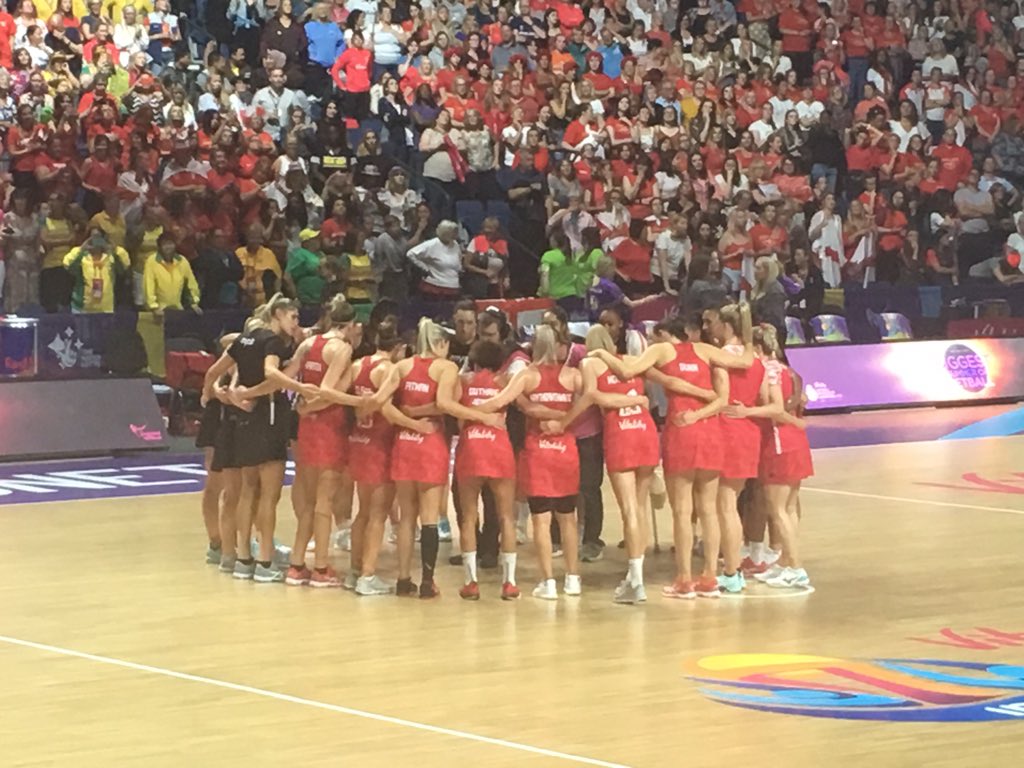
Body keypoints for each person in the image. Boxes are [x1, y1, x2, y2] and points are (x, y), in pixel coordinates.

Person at [593, 314, 753, 598]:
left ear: (666, 334)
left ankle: (684, 579)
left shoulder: (660, 350)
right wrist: (749, 336)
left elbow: (627, 371)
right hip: (711, 433)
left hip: (682, 430)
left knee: (682, 511)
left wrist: (601, 351)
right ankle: (710, 578)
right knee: (709, 510)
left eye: (656, 336)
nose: (653, 341)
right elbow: (744, 362)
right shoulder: (703, 349)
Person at [201, 294, 319, 583]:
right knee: (269, 495)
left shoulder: (244, 340)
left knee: (246, 491)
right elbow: (270, 373)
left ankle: (243, 559)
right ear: (278, 314)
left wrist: (214, 393)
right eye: (293, 317)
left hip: (242, 422)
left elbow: (213, 372)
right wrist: (298, 385)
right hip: (267, 418)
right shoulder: (271, 342)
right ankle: (265, 560)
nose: (295, 324)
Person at [389, 318, 503, 599]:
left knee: (406, 518)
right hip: (430, 443)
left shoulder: (402, 366)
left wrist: (411, 416)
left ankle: (403, 579)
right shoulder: (446, 367)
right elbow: (445, 404)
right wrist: (483, 416)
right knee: (428, 516)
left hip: (404, 441)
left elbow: (387, 405)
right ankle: (428, 582)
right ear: (440, 343)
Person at [479, 324, 582, 600]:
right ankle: (573, 580)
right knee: (568, 518)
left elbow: (500, 400)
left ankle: (548, 582)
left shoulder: (527, 376)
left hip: (539, 453)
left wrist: (467, 409)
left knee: (541, 520)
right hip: (566, 451)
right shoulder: (574, 376)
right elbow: (589, 402)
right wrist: (563, 419)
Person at [560, 325, 656, 603]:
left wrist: (564, 422)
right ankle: (636, 575)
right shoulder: (629, 362)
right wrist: (635, 398)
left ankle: (636, 580)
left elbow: (591, 396)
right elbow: (645, 395)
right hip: (645, 431)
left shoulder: (590, 362)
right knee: (640, 507)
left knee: (629, 510)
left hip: (621, 434)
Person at [284, 296, 364, 589]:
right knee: (324, 500)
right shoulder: (340, 348)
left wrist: (299, 407)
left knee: (307, 498)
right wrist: (310, 407)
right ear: (351, 324)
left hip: (307, 428)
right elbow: (328, 391)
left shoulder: (308, 344)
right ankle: (320, 567)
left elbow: (288, 377)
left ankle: (296, 564)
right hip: (328, 426)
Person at [453, 340, 521, 600]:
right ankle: (510, 583)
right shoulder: (504, 382)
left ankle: (471, 582)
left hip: (471, 448)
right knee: (506, 517)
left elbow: (459, 420)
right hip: (499, 449)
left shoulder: (465, 381)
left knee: (468, 517)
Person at [703, 303, 763, 594]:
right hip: (749, 431)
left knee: (723, 505)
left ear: (726, 326)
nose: (710, 328)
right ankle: (732, 568)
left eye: (713, 322)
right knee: (731, 503)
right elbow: (763, 398)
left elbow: (718, 394)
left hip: (726, 429)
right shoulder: (758, 361)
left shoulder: (722, 358)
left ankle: (731, 570)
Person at [63, 229, 131, 313]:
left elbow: (124, 267)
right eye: (93, 237)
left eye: (99, 237)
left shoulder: (112, 255)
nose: (96, 240)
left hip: (106, 307)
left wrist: (114, 249)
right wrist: (81, 249)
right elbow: (67, 266)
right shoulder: (80, 254)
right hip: (82, 308)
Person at [142, 232, 200, 313]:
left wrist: (194, 303)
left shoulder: (182, 261)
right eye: (164, 244)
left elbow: (191, 284)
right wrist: (153, 306)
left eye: (170, 243)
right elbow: (148, 285)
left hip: (178, 309)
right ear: (159, 247)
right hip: (158, 310)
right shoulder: (152, 261)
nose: (168, 247)